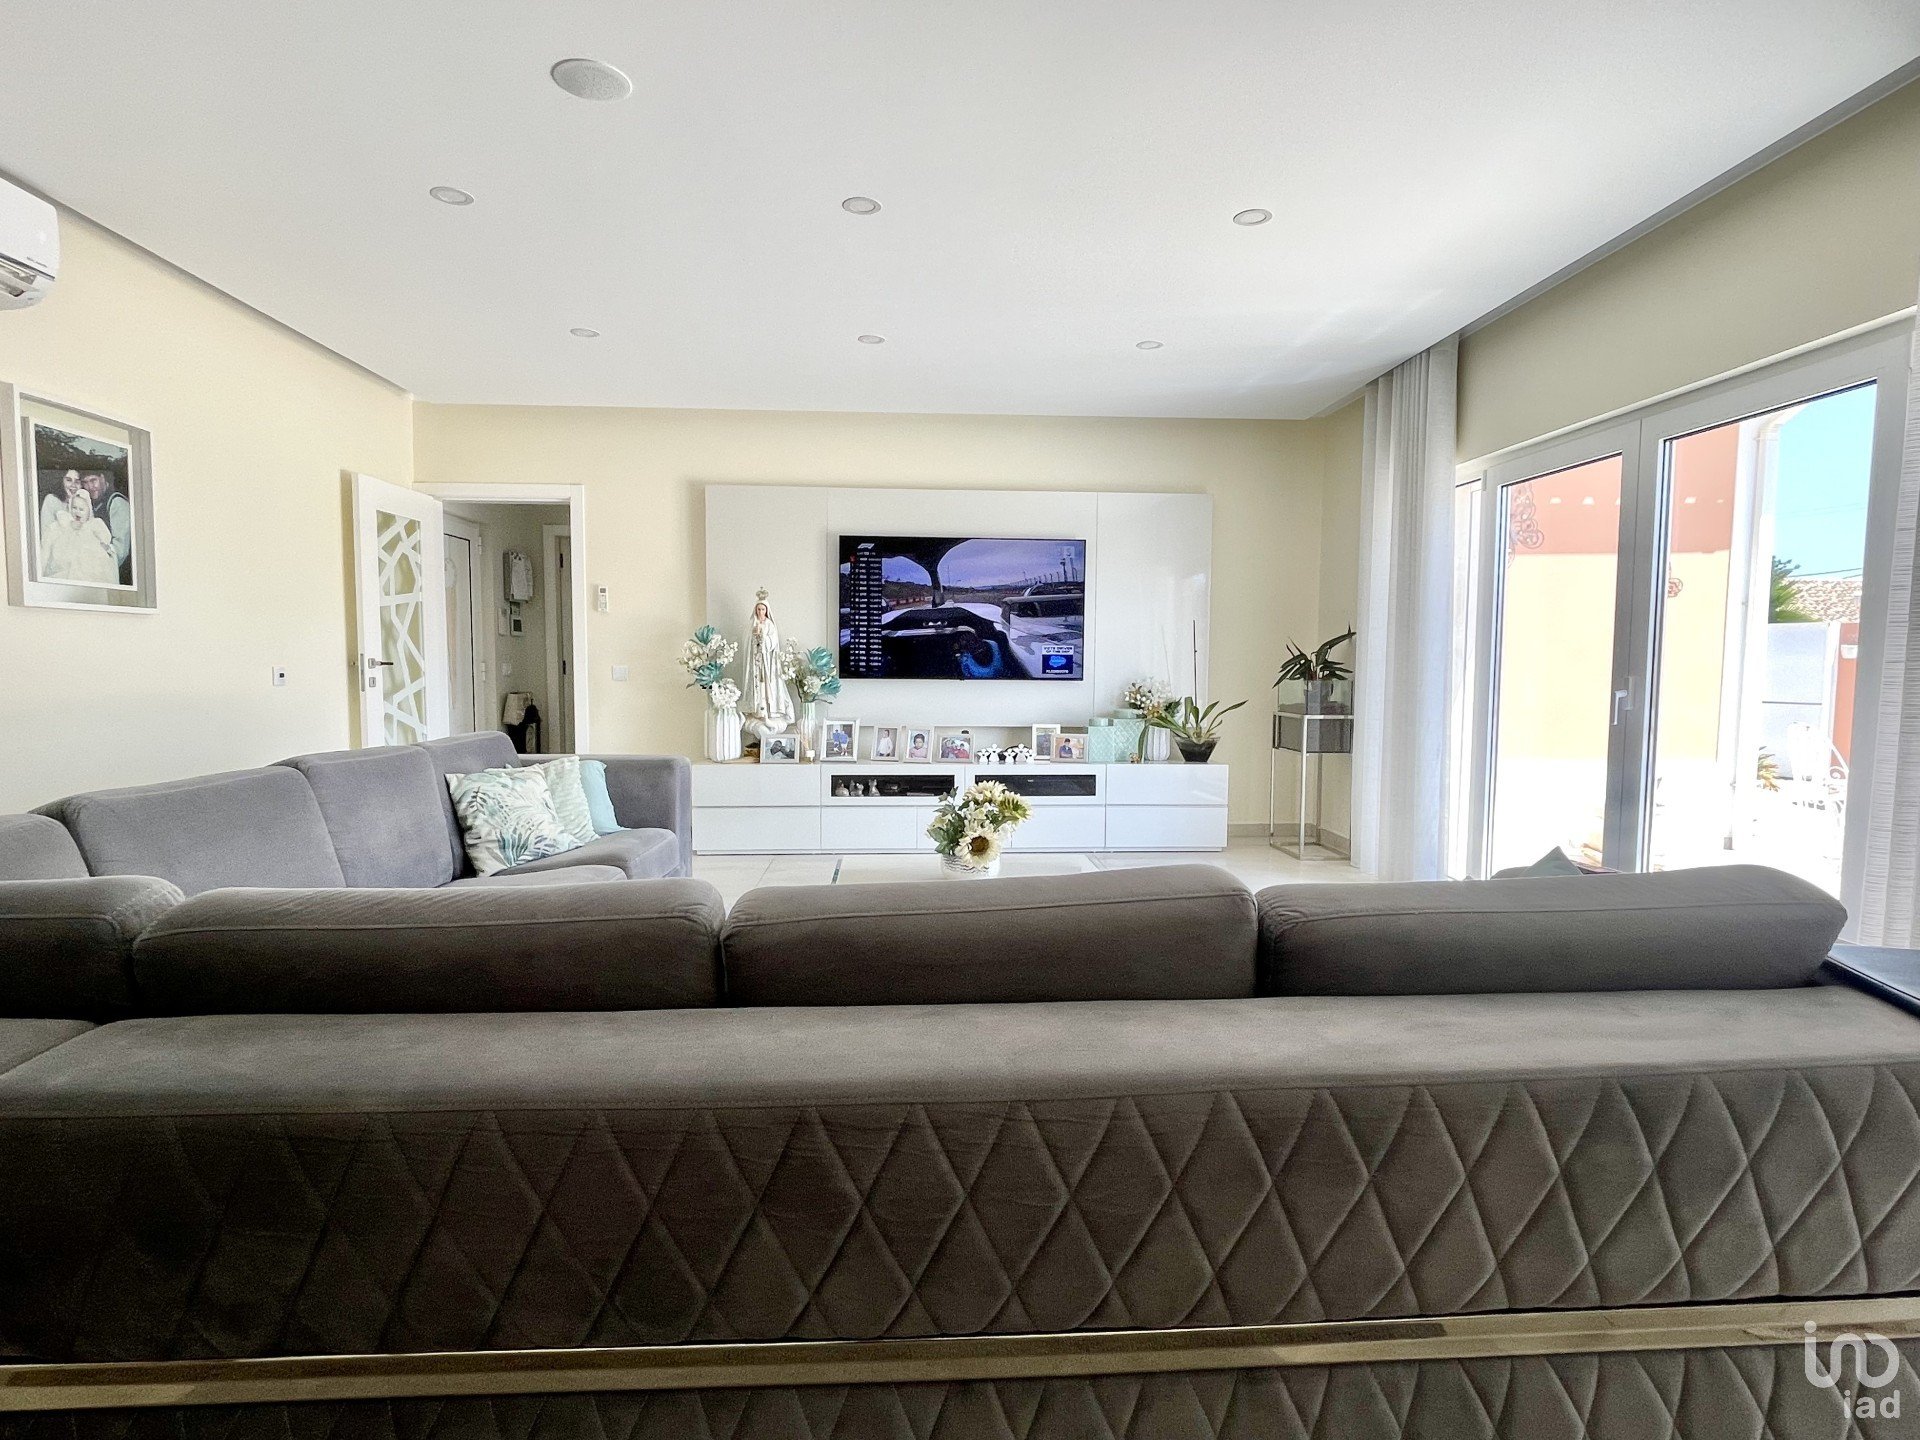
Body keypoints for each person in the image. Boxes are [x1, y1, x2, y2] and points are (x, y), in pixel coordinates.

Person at [38, 484, 120, 584]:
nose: (77, 512)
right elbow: (48, 544)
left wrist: (104, 545)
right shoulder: (63, 524)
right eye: (74, 508)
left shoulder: (93, 525)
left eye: (81, 509)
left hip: (87, 568)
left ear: (88, 511)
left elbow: (105, 537)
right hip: (66, 566)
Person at [741, 589, 795, 739]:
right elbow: (747, 642)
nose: (760, 612)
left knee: (767, 686)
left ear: (767, 610)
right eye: (758, 609)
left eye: (763, 609)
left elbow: (773, 642)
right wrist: (754, 638)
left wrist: (763, 638)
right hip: (756, 663)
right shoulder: (752, 624)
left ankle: (769, 711)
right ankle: (758, 711)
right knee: (757, 686)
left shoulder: (770, 624)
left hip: (768, 663)